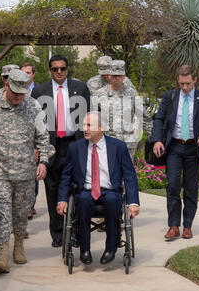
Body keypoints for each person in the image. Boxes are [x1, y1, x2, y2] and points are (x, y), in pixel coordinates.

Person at [0, 70, 55, 273]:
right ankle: (2, 255)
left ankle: (19, 245)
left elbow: (43, 137)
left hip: (25, 171)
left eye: (22, 93)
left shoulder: (33, 106)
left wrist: (43, 162)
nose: (18, 97)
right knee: (2, 212)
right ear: (7, 85)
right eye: (15, 92)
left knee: (21, 214)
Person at [57, 111, 140, 265]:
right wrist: (62, 200)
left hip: (110, 191)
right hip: (86, 191)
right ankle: (85, 249)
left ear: (101, 128)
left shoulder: (118, 147)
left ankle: (111, 248)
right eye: (83, 125)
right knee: (83, 200)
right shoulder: (75, 148)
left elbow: (129, 176)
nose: (85, 129)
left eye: (89, 125)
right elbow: (66, 177)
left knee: (112, 200)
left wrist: (133, 202)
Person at [151, 65, 199, 240]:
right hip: (174, 147)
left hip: (193, 148)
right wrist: (157, 139)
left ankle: (187, 225)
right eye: (181, 83)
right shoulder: (170, 96)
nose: (184, 87)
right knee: (173, 186)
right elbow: (159, 119)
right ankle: (173, 226)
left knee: (190, 188)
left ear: (195, 80)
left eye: (187, 83)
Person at [32, 54, 91, 247]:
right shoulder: (39, 91)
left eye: (62, 69)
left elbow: (88, 116)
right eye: (55, 69)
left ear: (67, 69)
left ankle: (74, 232)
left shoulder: (80, 88)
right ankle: (57, 233)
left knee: (76, 188)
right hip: (51, 146)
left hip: (75, 144)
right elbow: (33, 122)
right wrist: (35, 147)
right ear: (50, 70)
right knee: (53, 189)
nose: (59, 72)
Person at [95, 59, 153, 161]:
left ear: (124, 76)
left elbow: (144, 116)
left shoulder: (131, 93)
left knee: (126, 174)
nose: (116, 78)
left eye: (119, 75)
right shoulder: (99, 94)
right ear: (109, 76)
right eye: (114, 76)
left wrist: (154, 137)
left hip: (127, 143)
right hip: (106, 143)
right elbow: (93, 118)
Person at [20, 62, 41, 219]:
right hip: (19, 138)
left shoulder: (40, 92)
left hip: (35, 136)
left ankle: (30, 204)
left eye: (28, 72)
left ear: (33, 74)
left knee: (33, 174)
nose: (26, 75)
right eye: (23, 72)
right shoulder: (15, 90)